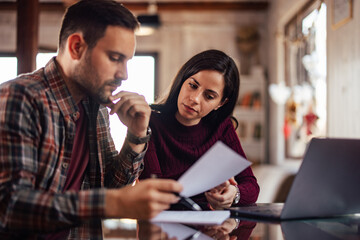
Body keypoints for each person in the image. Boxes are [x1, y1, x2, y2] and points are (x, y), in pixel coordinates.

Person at [0, 0, 183, 239]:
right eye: (115, 58)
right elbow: (10, 207)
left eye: (127, 61)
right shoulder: (20, 97)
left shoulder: (95, 105)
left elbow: (110, 188)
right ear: (76, 47)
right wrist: (113, 202)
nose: (124, 74)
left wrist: (136, 135)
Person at [139, 49, 259, 210]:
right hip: (160, 228)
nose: (194, 99)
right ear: (183, 80)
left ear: (221, 103)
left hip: (208, 228)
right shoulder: (150, 122)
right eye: (192, 85)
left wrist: (233, 194)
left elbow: (251, 186)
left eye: (209, 96)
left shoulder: (222, 128)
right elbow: (152, 189)